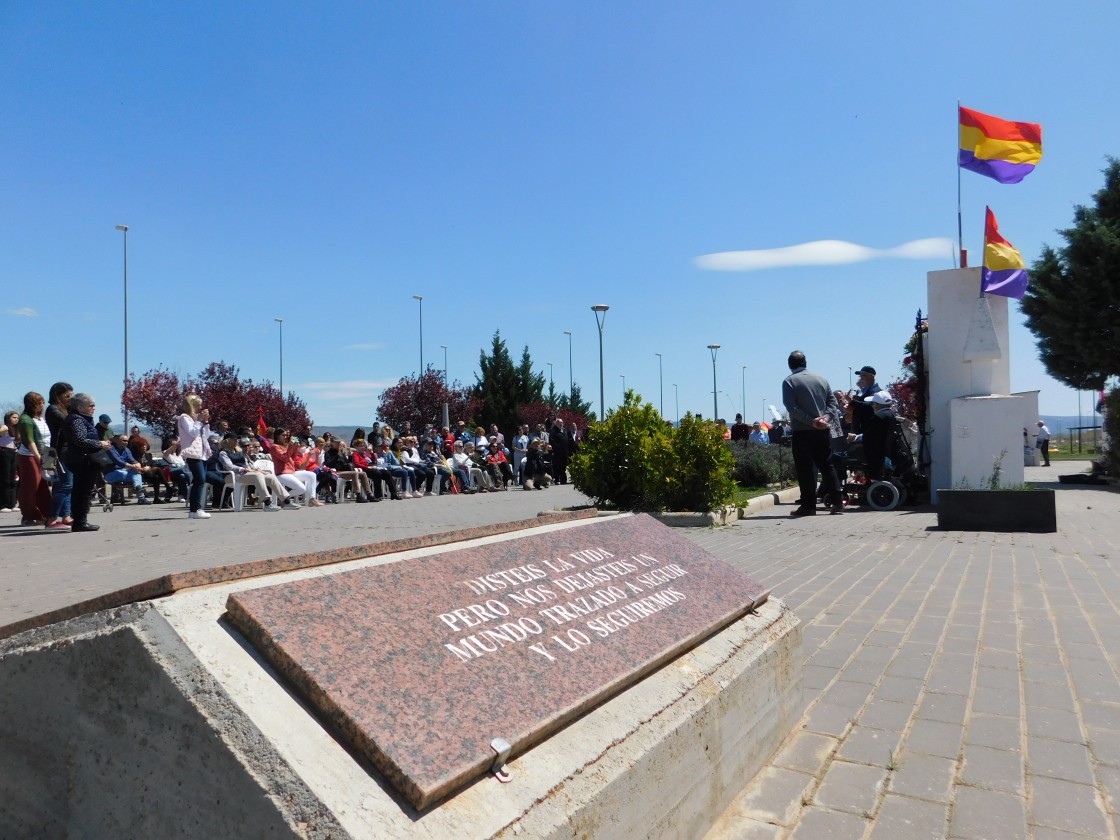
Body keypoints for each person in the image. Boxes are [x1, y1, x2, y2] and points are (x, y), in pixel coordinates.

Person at [781, 351, 842, 516]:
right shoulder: (822, 379)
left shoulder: (789, 381)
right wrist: (825, 418)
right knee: (827, 465)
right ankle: (838, 502)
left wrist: (811, 421)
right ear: (805, 362)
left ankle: (808, 506)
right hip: (823, 430)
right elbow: (833, 403)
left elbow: (792, 408)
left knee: (805, 469)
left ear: (790, 364)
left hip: (802, 432)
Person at [63, 393, 112, 532]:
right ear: (80, 407)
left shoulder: (80, 419)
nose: (94, 408)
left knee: (82, 491)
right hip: (82, 460)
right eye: (91, 405)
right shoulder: (77, 420)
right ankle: (80, 522)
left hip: (82, 459)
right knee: (82, 492)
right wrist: (99, 444)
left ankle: (79, 520)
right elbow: (80, 440)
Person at [16, 391, 53, 526]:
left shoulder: (41, 418)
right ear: (32, 404)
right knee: (31, 485)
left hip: (47, 453)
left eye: (43, 402)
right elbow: (29, 440)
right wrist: (38, 457)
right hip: (29, 456)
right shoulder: (25, 419)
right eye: (39, 402)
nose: (42, 404)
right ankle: (28, 515)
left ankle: (47, 514)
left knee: (44, 485)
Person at [177, 394, 213, 519]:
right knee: (199, 480)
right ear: (192, 406)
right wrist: (199, 421)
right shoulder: (184, 418)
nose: (200, 408)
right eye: (198, 405)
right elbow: (192, 432)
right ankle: (195, 508)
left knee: (199, 480)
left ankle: (195, 509)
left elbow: (206, 435)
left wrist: (205, 421)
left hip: (201, 454)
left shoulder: (196, 420)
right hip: (192, 454)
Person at [45, 382, 74, 530]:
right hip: (59, 452)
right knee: (65, 485)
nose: (70, 399)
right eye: (67, 396)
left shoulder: (65, 409)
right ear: (58, 395)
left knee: (67, 486)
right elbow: (67, 423)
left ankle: (66, 516)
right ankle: (51, 519)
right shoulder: (53, 409)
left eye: (72, 395)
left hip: (68, 451)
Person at [270, 428, 321, 506]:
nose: (285, 437)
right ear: (277, 436)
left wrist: (295, 448)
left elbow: (292, 459)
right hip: (282, 473)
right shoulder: (274, 447)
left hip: (291, 472)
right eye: (283, 435)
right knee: (302, 489)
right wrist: (290, 446)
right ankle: (283, 499)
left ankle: (312, 499)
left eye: (286, 435)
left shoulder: (286, 446)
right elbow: (285, 458)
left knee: (312, 475)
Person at [104, 434, 152, 504]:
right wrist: (134, 467)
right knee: (134, 474)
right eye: (124, 441)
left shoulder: (127, 450)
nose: (126, 442)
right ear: (117, 441)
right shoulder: (111, 449)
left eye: (127, 441)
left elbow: (133, 460)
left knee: (136, 472)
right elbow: (119, 462)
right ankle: (140, 494)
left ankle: (138, 489)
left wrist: (137, 465)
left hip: (125, 471)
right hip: (111, 474)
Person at [0, 411, 18, 512]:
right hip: (4, 453)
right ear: (8, 418)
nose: (16, 419)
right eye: (14, 417)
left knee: (13, 479)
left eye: (17, 418)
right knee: (5, 479)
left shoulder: (16, 430)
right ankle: (3, 504)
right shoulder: (5, 427)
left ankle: (12, 503)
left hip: (14, 453)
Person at [550, 418, 572, 484]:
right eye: (559, 423)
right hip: (557, 452)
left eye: (562, 422)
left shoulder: (565, 431)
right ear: (556, 424)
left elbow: (569, 440)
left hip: (565, 452)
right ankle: (556, 480)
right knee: (557, 466)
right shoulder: (553, 431)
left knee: (563, 466)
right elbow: (552, 441)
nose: (561, 424)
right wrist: (558, 447)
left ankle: (563, 480)